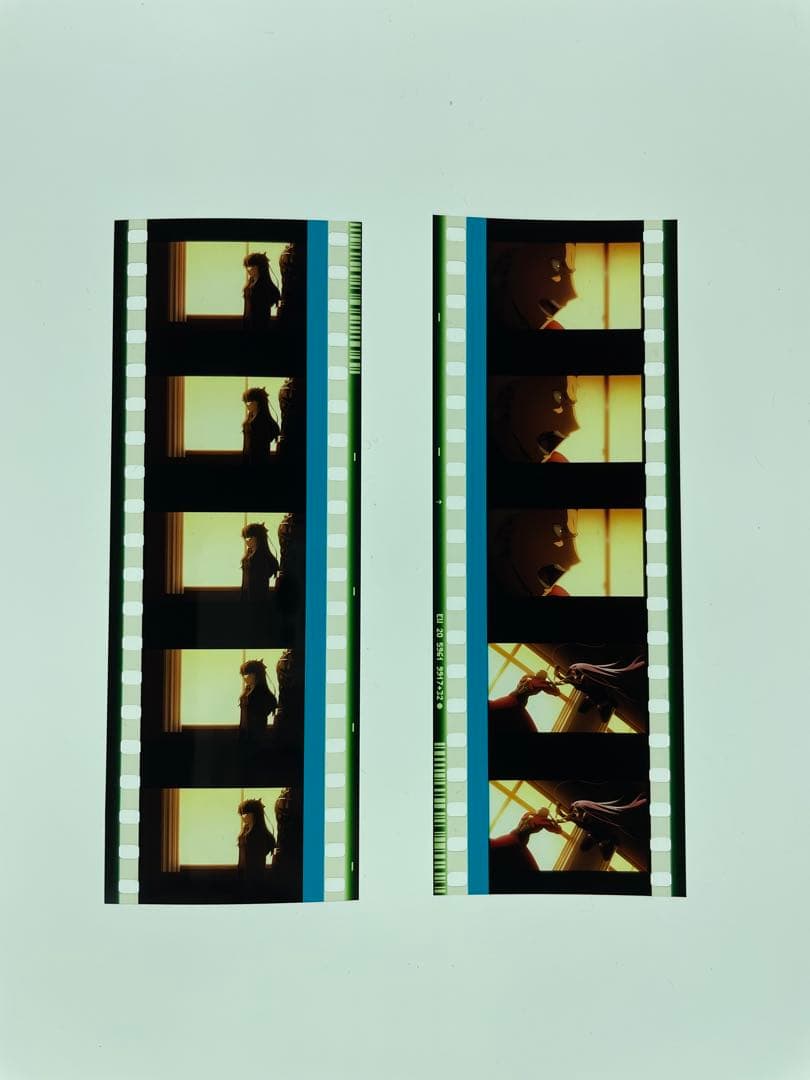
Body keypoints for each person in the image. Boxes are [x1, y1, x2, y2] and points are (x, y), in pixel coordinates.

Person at [559, 795, 647, 861]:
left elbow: (582, 824)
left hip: (610, 824)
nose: (588, 836)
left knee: (628, 809)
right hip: (611, 823)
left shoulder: (594, 834)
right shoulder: (595, 834)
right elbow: (583, 825)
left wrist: (563, 814)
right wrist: (566, 816)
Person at [489, 806, 562, 875]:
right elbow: (558, 830)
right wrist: (556, 826)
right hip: (516, 839)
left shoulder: (531, 815)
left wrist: (554, 824)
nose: (539, 811)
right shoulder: (541, 820)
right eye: (543, 811)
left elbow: (556, 829)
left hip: (516, 839)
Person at [488, 670, 560, 735]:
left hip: (520, 704)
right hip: (513, 699)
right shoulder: (531, 678)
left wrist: (553, 686)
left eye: (543, 676)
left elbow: (555, 693)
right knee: (491, 706)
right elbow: (529, 682)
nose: (540, 674)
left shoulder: (542, 683)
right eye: (540, 673)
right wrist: (548, 685)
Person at [237, 797, 276, 880]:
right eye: (241, 814)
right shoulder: (246, 831)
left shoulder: (257, 835)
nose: (242, 817)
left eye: (244, 813)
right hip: (246, 874)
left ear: (254, 814)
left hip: (254, 875)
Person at [240, 522, 280, 600]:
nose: (246, 541)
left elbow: (261, 580)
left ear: (258, 538)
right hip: (247, 594)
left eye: (249, 538)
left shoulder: (261, 557)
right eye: (245, 538)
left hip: (257, 597)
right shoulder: (249, 553)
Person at [238, 658, 278, 734]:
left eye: (247, 674)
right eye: (243, 674)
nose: (244, 677)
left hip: (255, 734)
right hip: (245, 733)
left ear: (256, 675)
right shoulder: (248, 691)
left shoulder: (259, 694)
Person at [242, 252, 281, 330]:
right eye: (247, 266)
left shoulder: (264, 285)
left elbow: (274, 297)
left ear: (261, 267)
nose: (248, 269)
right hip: (248, 321)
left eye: (252, 266)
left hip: (260, 323)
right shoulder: (251, 282)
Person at [241, 387, 280, 461]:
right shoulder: (250, 418)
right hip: (249, 458)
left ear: (257, 402)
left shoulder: (262, 421)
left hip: (258, 460)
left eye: (248, 402)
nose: (246, 405)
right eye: (245, 402)